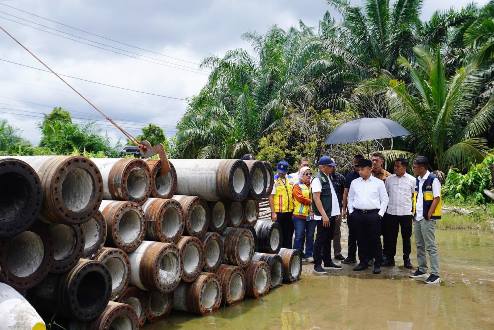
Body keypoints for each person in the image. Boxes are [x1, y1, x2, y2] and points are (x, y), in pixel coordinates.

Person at [348, 158, 389, 274]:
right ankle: (363, 262)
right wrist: (351, 211)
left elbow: (385, 199)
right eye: (359, 169)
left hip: (373, 215)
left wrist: (380, 214)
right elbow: (350, 198)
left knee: (375, 239)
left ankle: (377, 264)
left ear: (370, 169)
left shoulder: (379, 183)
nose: (360, 172)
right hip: (358, 214)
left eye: (362, 169)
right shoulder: (354, 182)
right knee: (360, 239)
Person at [409, 156, 442, 284]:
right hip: (417, 217)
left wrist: (429, 213)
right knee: (419, 245)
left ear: (422, 167)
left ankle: (435, 274)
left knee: (430, 246)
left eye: (415, 167)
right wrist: (414, 213)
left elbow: (437, 198)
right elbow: (416, 198)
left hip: (427, 218)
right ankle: (422, 270)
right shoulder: (417, 180)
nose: (413, 169)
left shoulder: (433, 180)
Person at [312, 156, 342, 274]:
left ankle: (328, 261)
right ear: (322, 167)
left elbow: (332, 197)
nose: (332, 168)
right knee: (320, 239)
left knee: (328, 239)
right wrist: (324, 215)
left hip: (331, 214)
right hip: (323, 216)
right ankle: (317, 264)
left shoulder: (327, 177)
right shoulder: (317, 179)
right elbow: (316, 198)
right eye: (330, 166)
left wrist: (336, 212)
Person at [383, 158, 415, 269]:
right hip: (391, 213)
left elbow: (413, 196)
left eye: (398, 166)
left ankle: (406, 259)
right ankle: (390, 259)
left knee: (406, 237)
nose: (395, 168)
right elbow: (385, 194)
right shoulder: (389, 180)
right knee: (391, 237)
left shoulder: (412, 180)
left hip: (406, 213)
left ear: (404, 167)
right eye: (395, 166)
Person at [342, 154, 364, 264]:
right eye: (354, 164)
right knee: (352, 234)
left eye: (358, 164)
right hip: (352, 209)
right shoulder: (349, 176)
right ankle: (351, 256)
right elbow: (345, 193)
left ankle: (365, 258)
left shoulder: (368, 175)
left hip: (364, 210)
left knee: (364, 235)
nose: (356, 167)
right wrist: (344, 209)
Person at [269, 160, 294, 249]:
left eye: (283, 172)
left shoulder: (290, 179)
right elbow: (271, 197)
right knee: (279, 234)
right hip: (278, 213)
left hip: (289, 212)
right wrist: (273, 213)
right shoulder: (274, 180)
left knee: (289, 234)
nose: (281, 174)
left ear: (287, 171)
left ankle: (288, 254)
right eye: (279, 171)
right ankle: (279, 253)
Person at [327, 159, 346, 261]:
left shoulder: (340, 177)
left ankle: (337, 252)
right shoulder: (322, 178)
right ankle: (323, 252)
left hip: (337, 209)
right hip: (325, 210)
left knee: (336, 231)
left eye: (334, 166)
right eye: (330, 166)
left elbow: (345, 194)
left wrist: (343, 209)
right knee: (324, 231)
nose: (332, 168)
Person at [292, 166, 312, 258]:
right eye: (306, 174)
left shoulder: (312, 185)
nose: (308, 176)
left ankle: (308, 254)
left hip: (309, 215)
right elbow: (299, 198)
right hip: (299, 216)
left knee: (310, 235)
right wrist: (311, 201)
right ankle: (296, 255)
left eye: (310, 174)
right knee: (299, 236)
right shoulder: (297, 186)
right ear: (301, 175)